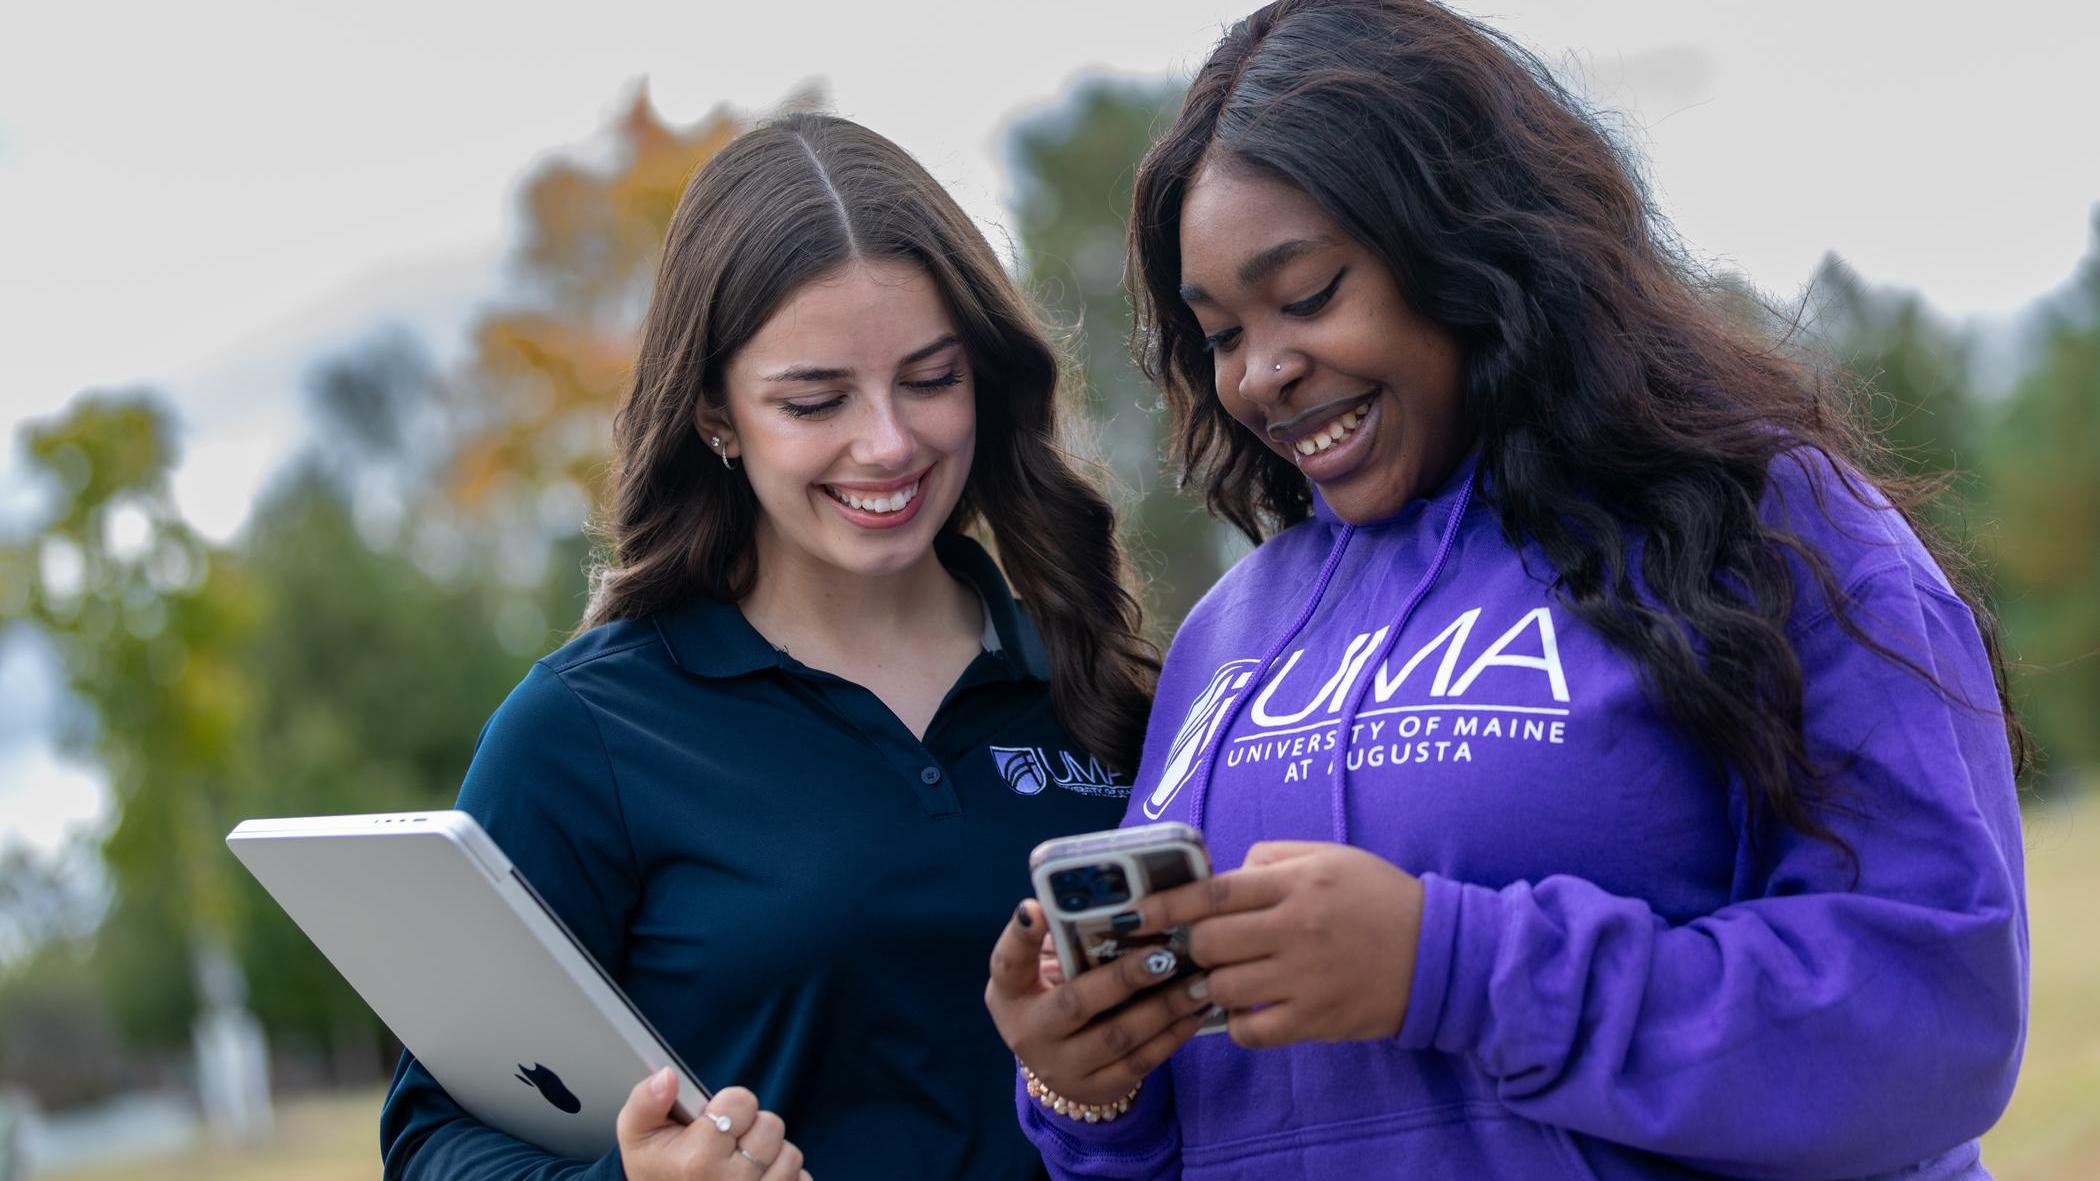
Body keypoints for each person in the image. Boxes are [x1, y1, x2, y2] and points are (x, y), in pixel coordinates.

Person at [984, 1, 2029, 1177]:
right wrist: (1093, 1088)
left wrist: (1450, 966)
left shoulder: (1766, 521)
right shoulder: (1231, 637)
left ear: (1469, 249)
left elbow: (1935, 1015)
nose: (1261, 374)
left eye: (1312, 292)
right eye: (1219, 331)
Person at [380, 112, 1158, 1180]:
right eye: (814, 398)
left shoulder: (1100, 688)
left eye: (930, 378)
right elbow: (430, 1137)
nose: (886, 441)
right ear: (715, 414)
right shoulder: (587, 731)